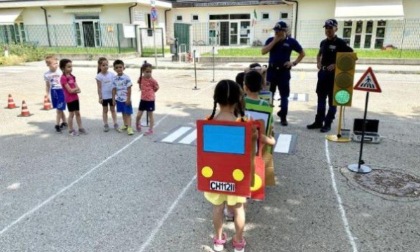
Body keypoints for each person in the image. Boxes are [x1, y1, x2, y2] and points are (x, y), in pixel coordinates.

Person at [205, 80, 247, 252]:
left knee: (218, 207)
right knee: (238, 208)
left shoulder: (208, 123)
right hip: (237, 177)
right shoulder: (243, 123)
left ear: (216, 99)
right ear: (238, 99)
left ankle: (218, 240)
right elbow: (249, 152)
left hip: (215, 175)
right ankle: (238, 241)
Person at [307, 19, 354, 132]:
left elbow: (352, 57)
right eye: (326, 28)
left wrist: (336, 64)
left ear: (336, 29)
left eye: (331, 28)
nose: (328, 30)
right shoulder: (323, 42)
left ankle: (327, 123)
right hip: (322, 75)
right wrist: (318, 62)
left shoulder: (341, 43)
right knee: (320, 100)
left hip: (334, 76)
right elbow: (319, 54)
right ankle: (319, 122)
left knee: (332, 102)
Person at [262, 21, 305, 126]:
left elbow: (302, 53)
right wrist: (275, 41)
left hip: (283, 72)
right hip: (271, 71)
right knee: (269, 95)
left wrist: (293, 63)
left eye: (279, 31)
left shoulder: (291, 41)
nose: (276, 32)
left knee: (284, 96)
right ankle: (267, 116)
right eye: (275, 30)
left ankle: (283, 117)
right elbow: (263, 51)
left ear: (285, 31)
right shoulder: (271, 40)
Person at [59, 58, 86, 136]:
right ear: (63, 68)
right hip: (69, 99)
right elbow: (70, 90)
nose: (71, 68)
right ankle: (70, 130)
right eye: (68, 67)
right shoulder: (63, 78)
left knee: (77, 113)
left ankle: (80, 128)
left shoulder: (72, 76)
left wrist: (75, 89)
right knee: (71, 114)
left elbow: (79, 89)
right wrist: (75, 89)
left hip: (75, 98)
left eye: (71, 66)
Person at [44, 55, 67, 133]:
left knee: (59, 109)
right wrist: (46, 94)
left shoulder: (61, 72)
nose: (56, 65)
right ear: (48, 65)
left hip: (61, 91)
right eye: (54, 64)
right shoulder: (46, 74)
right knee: (59, 108)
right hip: (53, 92)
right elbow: (47, 85)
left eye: (57, 63)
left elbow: (66, 82)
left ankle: (57, 125)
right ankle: (65, 122)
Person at [135, 61, 159, 135]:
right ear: (143, 71)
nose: (149, 73)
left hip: (150, 100)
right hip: (143, 99)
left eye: (150, 72)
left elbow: (157, 87)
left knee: (150, 115)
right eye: (147, 71)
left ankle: (150, 129)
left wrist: (152, 93)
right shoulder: (141, 78)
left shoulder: (153, 80)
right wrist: (142, 89)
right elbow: (139, 83)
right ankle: (137, 123)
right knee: (139, 115)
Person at [112, 59, 134, 135]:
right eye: (117, 67)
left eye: (120, 67)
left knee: (128, 113)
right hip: (119, 99)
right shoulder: (114, 78)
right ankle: (125, 125)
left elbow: (129, 88)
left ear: (123, 68)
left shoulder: (126, 78)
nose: (119, 69)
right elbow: (114, 89)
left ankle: (130, 127)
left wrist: (128, 99)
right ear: (114, 69)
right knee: (123, 113)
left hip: (126, 99)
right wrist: (113, 99)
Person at [96, 57, 118, 132]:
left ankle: (115, 123)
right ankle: (105, 124)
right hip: (104, 97)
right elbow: (99, 88)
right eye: (103, 65)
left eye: (106, 65)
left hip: (112, 96)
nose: (105, 66)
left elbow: (115, 86)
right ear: (99, 66)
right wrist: (100, 97)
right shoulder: (99, 76)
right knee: (105, 111)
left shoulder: (112, 75)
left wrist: (115, 95)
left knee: (113, 110)